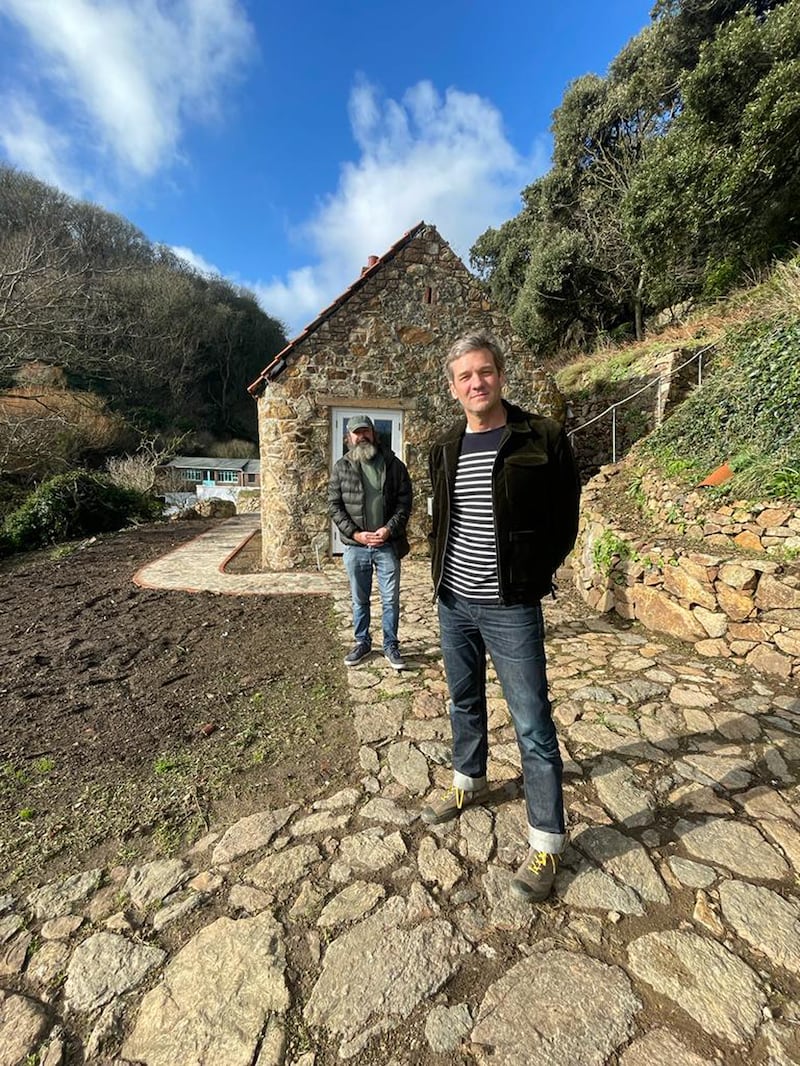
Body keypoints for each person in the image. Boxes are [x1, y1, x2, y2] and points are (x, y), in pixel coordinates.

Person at [421, 330, 581, 902]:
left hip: (512, 606)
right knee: (463, 701)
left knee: (533, 724)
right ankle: (469, 780)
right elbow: (440, 520)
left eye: (484, 372)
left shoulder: (542, 437)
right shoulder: (444, 447)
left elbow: (566, 519)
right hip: (454, 603)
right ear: (452, 387)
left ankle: (546, 841)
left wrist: (533, 572)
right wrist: (440, 579)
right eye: (464, 376)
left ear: (500, 375)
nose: (476, 383)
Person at [328, 415, 412, 671]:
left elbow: (404, 502)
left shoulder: (394, 464)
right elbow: (334, 505)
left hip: (387, 544)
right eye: (356, 433)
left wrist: (388, 529)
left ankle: (390, 645)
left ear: (374, 434)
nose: (361, 436)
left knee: (390, 599)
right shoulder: (341, 467)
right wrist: (355, 534)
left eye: (365, 431)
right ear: (348, 438)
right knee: (359, 599)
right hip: (356, 546)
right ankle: (362, 642)